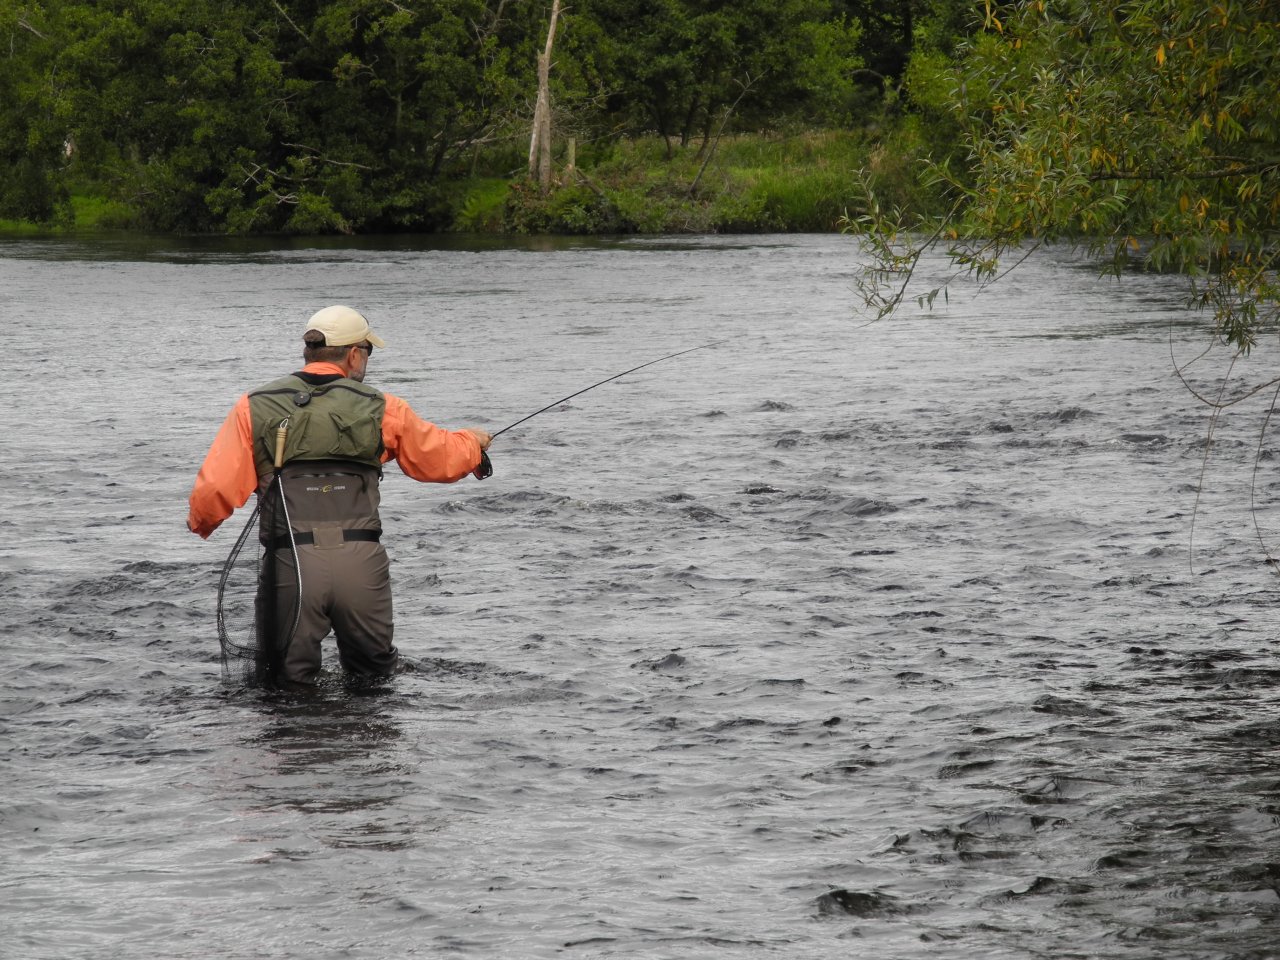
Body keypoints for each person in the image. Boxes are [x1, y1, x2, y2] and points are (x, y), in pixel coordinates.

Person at [187, 305, 492, 687]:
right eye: (368, 351)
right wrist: (473, 443)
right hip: (361, 563)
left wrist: (201, 524)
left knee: (286, 685)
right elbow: (438, 461)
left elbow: (214, 490)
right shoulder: (384, 408)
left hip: (291, 562)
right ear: (354, 353)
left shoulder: (253, 406)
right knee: (373, 680)